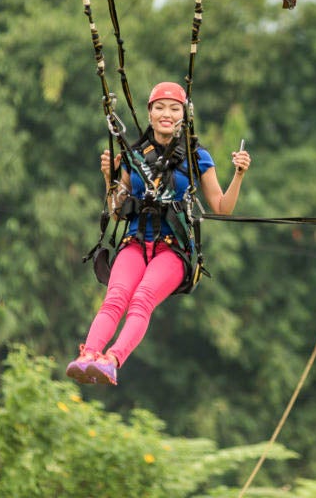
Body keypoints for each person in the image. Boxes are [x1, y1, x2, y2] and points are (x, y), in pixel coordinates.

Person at [66, 81, 251, 386]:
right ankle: (89, 356)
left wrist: (239, 175)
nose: (167, 114)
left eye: (174, 108)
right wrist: (107, 178)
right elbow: (116, 210)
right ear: (149, 114)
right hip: (136, 242)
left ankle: (112, 360)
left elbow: (222, 207)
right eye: (160, 108)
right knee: (115, 297)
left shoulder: (197, 157)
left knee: (142, 299)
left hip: (173, 250)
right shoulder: (133, 155)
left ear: (184, 116)